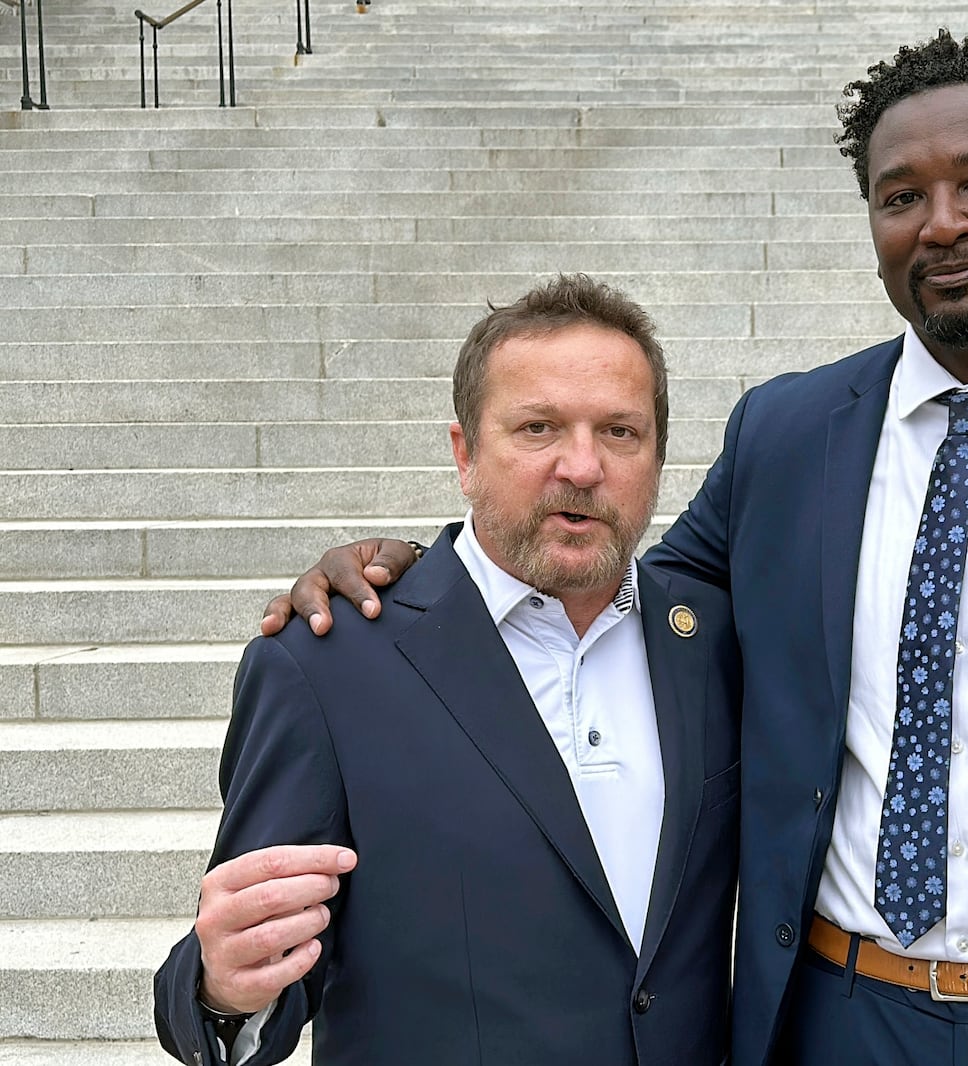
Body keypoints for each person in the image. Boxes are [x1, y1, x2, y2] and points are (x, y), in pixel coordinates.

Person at [265, 31, 968, 1066]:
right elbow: (626, 579)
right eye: (901, 197)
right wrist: (421, 572)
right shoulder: (787, 433)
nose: (941, 223)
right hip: (838, 1015)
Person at [156, 275, 742, 1066]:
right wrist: (221, 990)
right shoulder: (322, 664)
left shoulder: (712, 643)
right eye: (537, 428)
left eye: (620, 432)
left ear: (660, 455)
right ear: (465, 454)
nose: (582, 464)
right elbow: (263, 940)